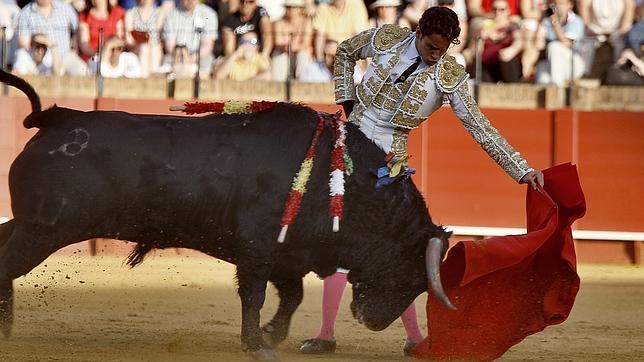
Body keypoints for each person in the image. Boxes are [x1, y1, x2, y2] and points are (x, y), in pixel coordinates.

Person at [299, 5, 544, 357]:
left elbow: (480, 128)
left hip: (388, 166)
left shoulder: (449, 77)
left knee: (391, 254)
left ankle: (410, 338)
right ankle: (326, 333)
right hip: (347, 149)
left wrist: (521, 169)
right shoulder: (387, 39)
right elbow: (345, 52)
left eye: (444, 49)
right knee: (336, 239)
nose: (436, 55)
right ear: (419, 33)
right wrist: (346, 99)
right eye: (432, 47)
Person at [15, 0, 88, 75]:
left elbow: (77, 30)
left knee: (82, 71)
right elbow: (24, 43)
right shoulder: (25, 13)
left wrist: (74, 48)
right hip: (40, 58)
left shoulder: (66, 9)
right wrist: (38, 40)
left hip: (65, 55)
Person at [467, 0, 523, 83]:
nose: (498, 12)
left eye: (502, 9)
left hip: (506, 64)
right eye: (495, 9)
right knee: (477, 68)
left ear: (508, 11)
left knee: (508, 61)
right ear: (490, 10)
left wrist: (512, 50)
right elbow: (475, 53)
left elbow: (519, 42)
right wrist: (480, 40)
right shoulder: (483, 26)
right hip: (487, 66)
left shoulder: (513, 26)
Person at [534, 0, 585, 86]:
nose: (557, 6)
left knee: (554, 46)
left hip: (573, 64)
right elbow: (538, 46)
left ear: (570, 5)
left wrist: (555, 22)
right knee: (542, 72)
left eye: (561, 3)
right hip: (552, 64)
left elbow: (567, 44)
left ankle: (556, 86)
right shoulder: (547, 21)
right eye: (555, 4)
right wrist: (542, 19)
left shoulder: (576, 21)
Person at [162, 0, 218, 76]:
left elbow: (207, 45)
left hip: (200, 56)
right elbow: (170, 45)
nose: (190, 0)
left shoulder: (208, 14)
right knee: (165, 67)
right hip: (176, 55)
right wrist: (182, 57)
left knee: (207, 67)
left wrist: (191, 59)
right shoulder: (171, 14)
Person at [271, 0, 314, 81]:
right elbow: (278, 43)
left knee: (303, 55)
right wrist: (292, 45)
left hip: (298, 54)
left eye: (293, 7)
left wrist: (290, 46)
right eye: (288, 7)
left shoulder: (306, 22)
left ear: (300, 9)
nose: (290, 10)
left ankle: (302, 87)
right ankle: (277, 87)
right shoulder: (279, 23)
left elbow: (305, 44)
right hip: (284, 53)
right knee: (280, 56)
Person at [124, 0, 165, 76]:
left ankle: (153, 78)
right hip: (136, 48)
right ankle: (145, 80)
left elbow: (161, 37)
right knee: (144, 48)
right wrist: (140, 41)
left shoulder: (160, 13)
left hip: (154, 48)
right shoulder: (130, 13)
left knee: (153, 48)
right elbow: (128, 39)